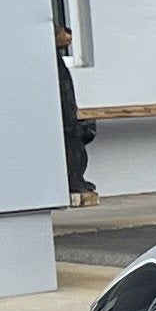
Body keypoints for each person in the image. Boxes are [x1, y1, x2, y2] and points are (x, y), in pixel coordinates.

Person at [56, 24, 95, 202]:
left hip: (68, 112)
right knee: (73, 141)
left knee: (80, 134)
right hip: (63, 116)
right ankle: (74, 180)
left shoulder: (59, 61)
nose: (69, 39)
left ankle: (77, 178)